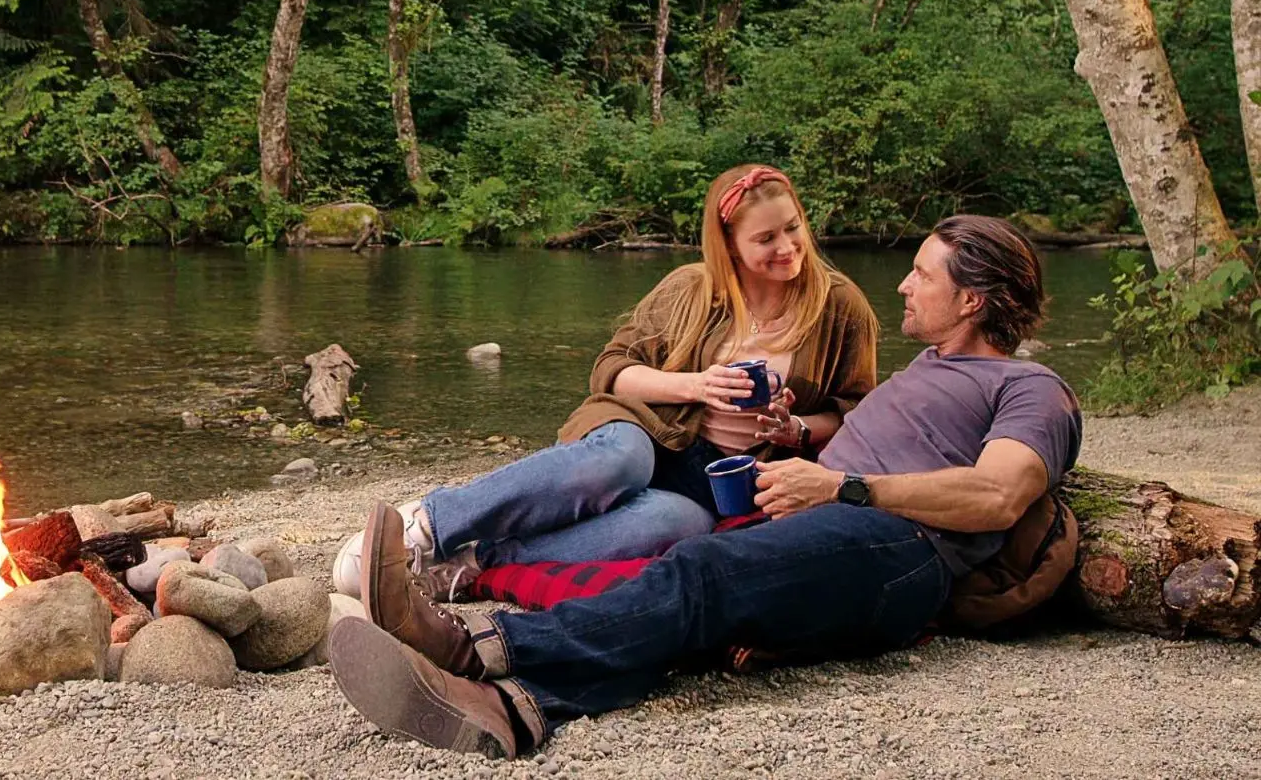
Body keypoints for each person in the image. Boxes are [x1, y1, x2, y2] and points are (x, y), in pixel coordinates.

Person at [326, 215, 1083, 759]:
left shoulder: (1030, 386)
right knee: (686, 603)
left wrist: (844, 489)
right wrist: (790, 440)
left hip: (902, 550)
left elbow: (997, 496)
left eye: (924, 272)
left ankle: (472, 649)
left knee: (700, 573)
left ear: (973, 300)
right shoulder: (929, 369)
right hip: (830, 534)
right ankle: (514, 709)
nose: (906, 284)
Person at [333, 164, 879, 600]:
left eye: (793, 227)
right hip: (643, 428)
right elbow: (613, 372)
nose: (787, 246)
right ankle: (426, 526)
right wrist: (697, 386)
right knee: (619, 462)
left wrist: (797, 429)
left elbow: (857, 411)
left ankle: (472, 565)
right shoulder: (690, 289)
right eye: (766, 238)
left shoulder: (839, 306)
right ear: (730, 246)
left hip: (719, 482)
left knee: (676, 524)